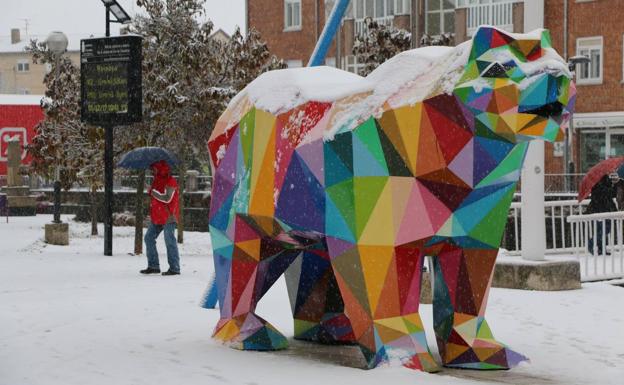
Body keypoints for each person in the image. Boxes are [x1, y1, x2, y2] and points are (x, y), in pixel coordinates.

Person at [140, 160, 181, 276]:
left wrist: (152, 192)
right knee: (149, 238)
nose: (153, 171)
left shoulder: (171, 181)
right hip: (157, 216)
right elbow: (155, 194)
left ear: (162, 169)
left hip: (168, 216)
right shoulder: (156, 180)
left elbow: (167, 198)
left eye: (155, 169)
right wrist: (150, 189)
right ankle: (153, 266)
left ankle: (175, 268)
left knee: (169, 241)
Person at [586, 173, 618, 255]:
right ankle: (591, 243)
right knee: (605, 229)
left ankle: (601, 248)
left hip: (599, 210)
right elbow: (609, 193)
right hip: (602, 210)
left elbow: (612, 194)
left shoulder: (597, 183)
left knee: (600, 229)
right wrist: (613, 185)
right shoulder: (601, 184)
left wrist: (613, 185)